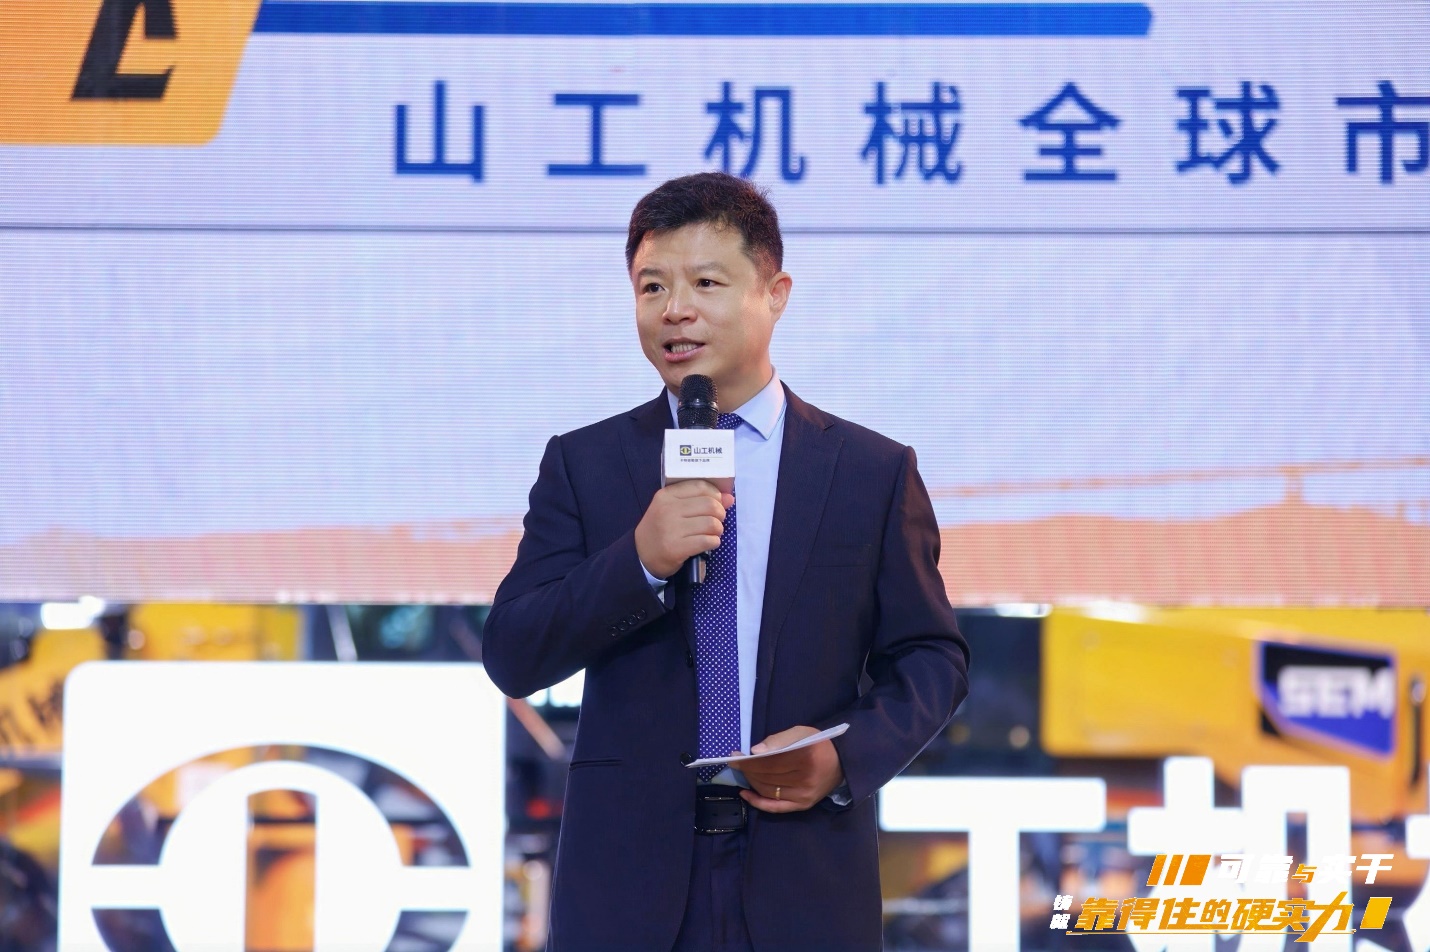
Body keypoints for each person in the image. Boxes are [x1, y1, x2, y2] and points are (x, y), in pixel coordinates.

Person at [483, 171, 969, 952]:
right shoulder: (585, 463)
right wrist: (640, 561)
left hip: (804, 875)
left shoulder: (870, 472)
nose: (675, 310)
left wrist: (842, 758)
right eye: (652, 287)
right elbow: (513, 652)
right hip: (626, 887)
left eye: (706, 283)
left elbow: (931, 659)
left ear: (775, 294)